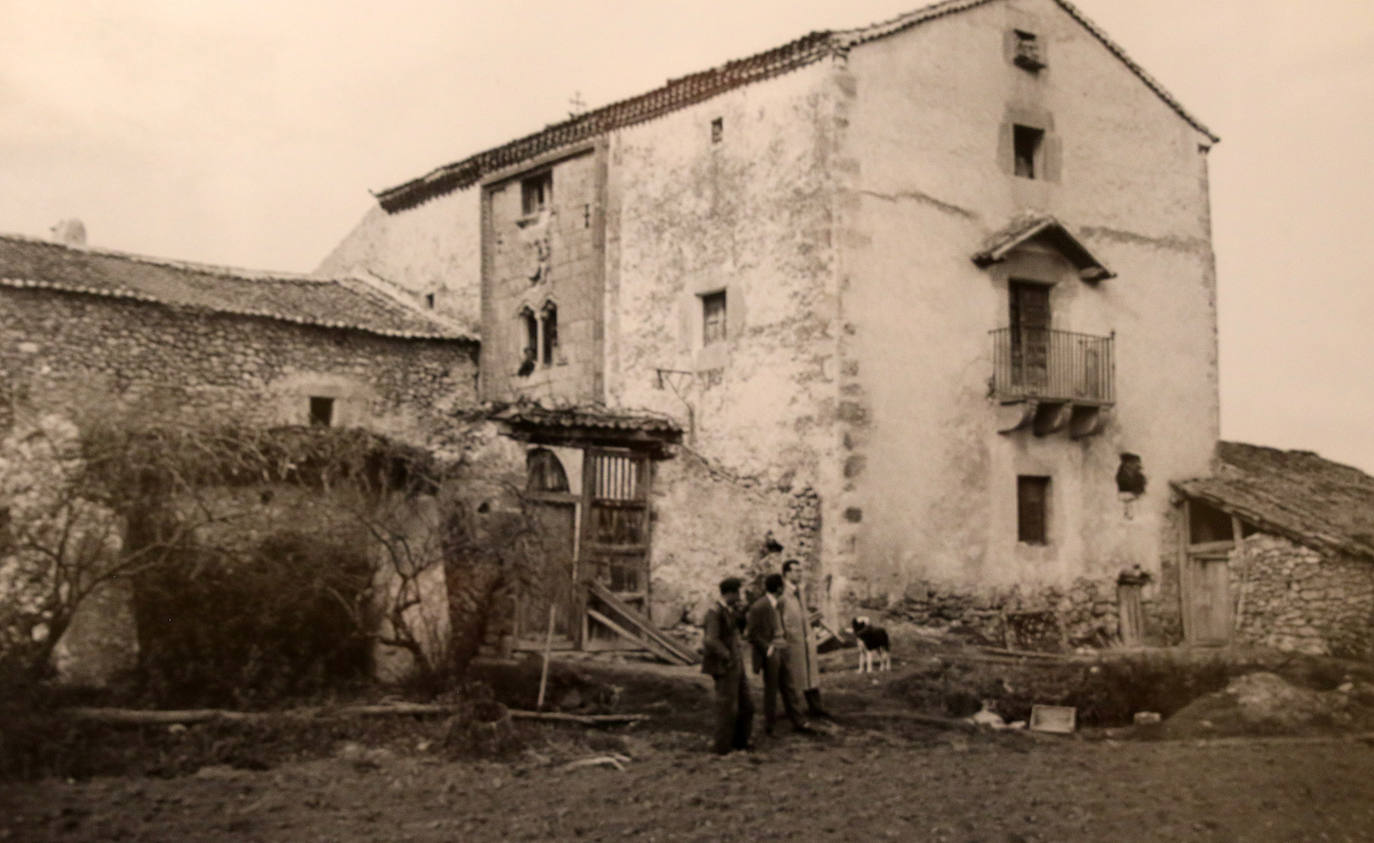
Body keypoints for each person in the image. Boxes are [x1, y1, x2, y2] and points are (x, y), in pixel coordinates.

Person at [745, 573, 809, 735]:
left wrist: (785, 642)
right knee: (771, 689)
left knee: (789, 686)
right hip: (771, 652)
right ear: (779, 588)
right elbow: (751, 634)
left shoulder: (779, 604)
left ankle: (798, 722)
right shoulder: (759, 606)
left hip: (783, 649)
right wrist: (768, 648)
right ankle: (770, 726)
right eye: (783, 585)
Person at [701, 577, 754, 754]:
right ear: (729, 593)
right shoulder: (714, 612)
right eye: (737, 593)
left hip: (736, 664)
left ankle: (740, 742)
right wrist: (727, 655)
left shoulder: (729, 610)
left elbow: (739, 627)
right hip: (724, 666)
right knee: (727, 707)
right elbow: (711, 640)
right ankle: (722, 747)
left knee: (746, 705)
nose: (739, 597)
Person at [780, 558, 830, 719]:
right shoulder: (782, 594)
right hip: (792, 641)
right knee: (794, 677)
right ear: (786, 573)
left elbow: (801, 615)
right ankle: (794, 712)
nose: (799, 574)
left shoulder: (800, 591)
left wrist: (811, 619)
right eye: (796, 570)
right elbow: (781, 618)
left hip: (806, 639)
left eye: (800, 570)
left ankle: (816, 707)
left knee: (810, 675)